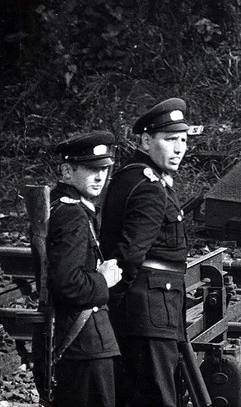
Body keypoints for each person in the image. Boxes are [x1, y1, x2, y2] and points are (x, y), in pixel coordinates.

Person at [100, 98, 192, 407]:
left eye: (183, 140)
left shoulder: (134, 175)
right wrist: (115, 302)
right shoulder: (148, 184)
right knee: (158, 397)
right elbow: (129, 255)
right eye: (170, 140)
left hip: (148, 307)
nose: (179, 148)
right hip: (149, 308)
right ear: (145, 140)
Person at [36, 131, 122, 407]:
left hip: (81, 340)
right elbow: (67, 283)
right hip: (85, 344)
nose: (100, 177)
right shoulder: (72, 215)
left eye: (104, 169)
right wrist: (103, 280)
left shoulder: (65, 208)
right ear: (66, 171)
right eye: (91, 169)